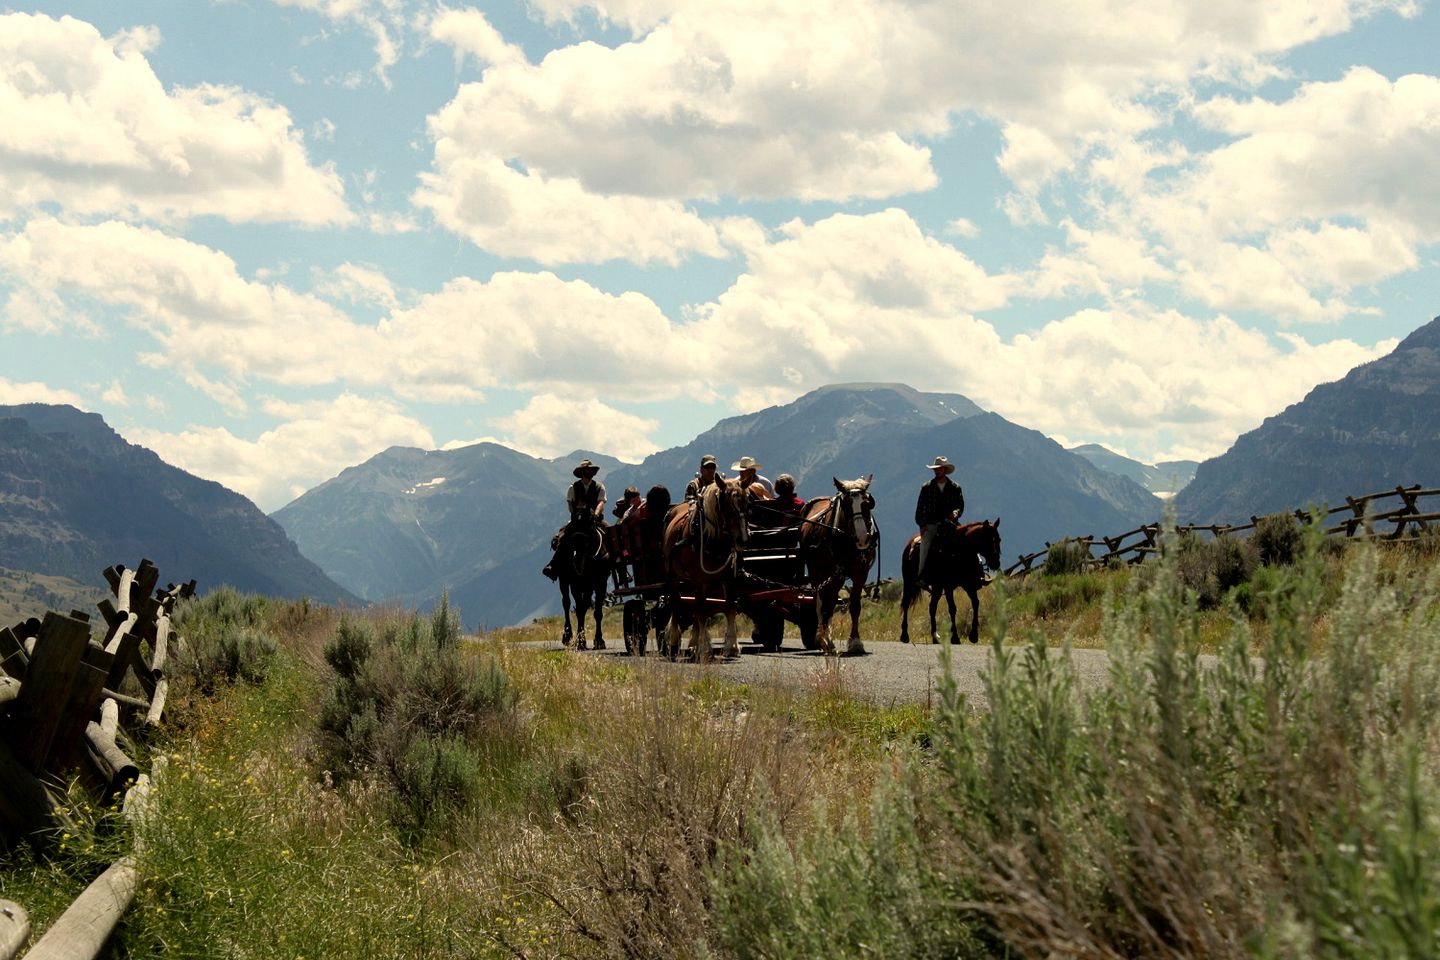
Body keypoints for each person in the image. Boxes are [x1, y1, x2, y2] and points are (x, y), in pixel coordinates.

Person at [542, 458, 608, 581]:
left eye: (590, 470)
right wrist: (576, 514)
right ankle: (553, 565)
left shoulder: (599, 486)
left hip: (595, 519)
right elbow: (570, 505)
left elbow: (601, 502)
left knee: (611, 533)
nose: (588, 472)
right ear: (582, 472)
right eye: (586, 470)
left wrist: (596, 514)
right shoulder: (573, 487)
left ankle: (618, 567)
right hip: (578, 520)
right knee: (563, 537)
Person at [914, 455, 964, 586]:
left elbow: (960, 505)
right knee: (924, 545)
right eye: (935, 469)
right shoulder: (926, 487)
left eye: (939, 468)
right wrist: (922, 524)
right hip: (931, 524)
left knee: (966, 539)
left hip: (950, 524)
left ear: (945, 469)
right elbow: (920, 509)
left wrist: (956, 512)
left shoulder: (955, 487)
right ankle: (921, 575)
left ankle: (977, 570)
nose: (937, 471)